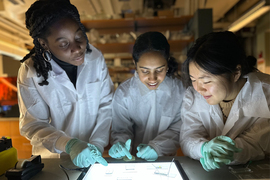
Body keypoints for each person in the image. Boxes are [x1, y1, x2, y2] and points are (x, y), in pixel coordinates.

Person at [17, 0, 114, 168]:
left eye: (79, 36)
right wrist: (69, 144)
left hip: (92, 155)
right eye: (64, 44)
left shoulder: (95, 57)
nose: (77, 48)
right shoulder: (30, 72)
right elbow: (33, 125)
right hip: (53, 161)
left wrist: (97, 143)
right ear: (43, 43)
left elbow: (106, 104)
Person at [180, 31, 270, 171]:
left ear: (235, 73)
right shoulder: (193, 95)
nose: (198, 88)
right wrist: (202, 148)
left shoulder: (266, 94)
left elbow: (258, 144)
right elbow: (188, 136)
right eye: (193, 80)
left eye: (206, 81)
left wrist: (229, 153)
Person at [109, 31, 185, 161]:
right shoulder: (125, 93)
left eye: (159, 70)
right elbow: (121, 130)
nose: (152, 78)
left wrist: (157, 147)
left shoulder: (179, 90)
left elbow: (179, 128)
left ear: (167, 62)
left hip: (166, 159)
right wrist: (119, 144)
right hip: (132, 159)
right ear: (135, 64)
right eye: (145, 71)